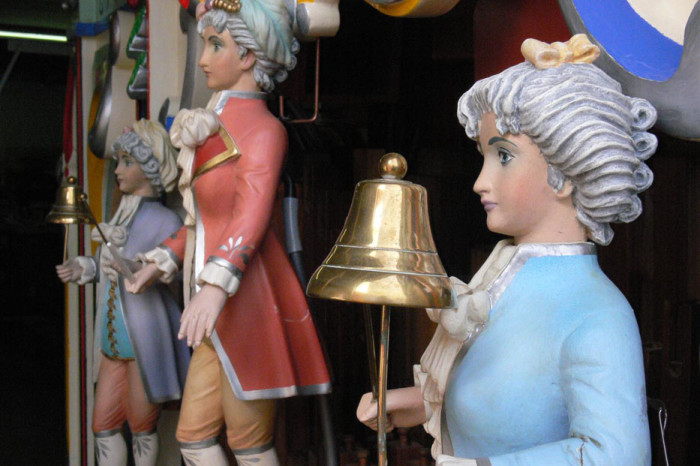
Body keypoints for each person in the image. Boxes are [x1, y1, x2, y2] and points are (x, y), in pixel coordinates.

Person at [356, 34, 656, 465]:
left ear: (566, 172)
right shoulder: (502, 275)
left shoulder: (597, 313)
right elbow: (504, 395)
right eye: (484, 156)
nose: (480, 181)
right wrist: (414, 402)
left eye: (503, 156)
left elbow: (617, 455)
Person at [125, 1, 331, 464]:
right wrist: (165, 258)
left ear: (249, 57)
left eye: (215, 44)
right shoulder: (216, 124)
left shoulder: (262, 130)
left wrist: (214, 287)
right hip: (214, 312)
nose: (202, 58)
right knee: (193, 438)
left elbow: (249, 216)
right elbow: (204, 219)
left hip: (249, 302)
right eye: (205, 43)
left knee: (248, 441)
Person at [56, 120, 189, 466]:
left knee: (143, 425)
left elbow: (163, 275)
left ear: (149, 168)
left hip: (145, 340)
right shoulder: (122, 213)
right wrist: (86, 267)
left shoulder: (165, 221)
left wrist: (123, 261)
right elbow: (108, 267)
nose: (119, 170)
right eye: (120, 161)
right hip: (112, 344)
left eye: (128, 162)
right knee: (103, 424)